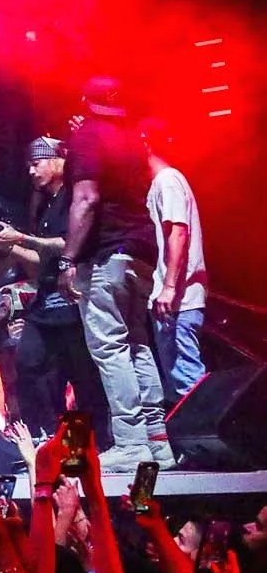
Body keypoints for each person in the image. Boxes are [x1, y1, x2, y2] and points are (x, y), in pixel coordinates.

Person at [57, 77, 176, 471]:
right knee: (137, 344)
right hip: (141, 254)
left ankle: (130, 442)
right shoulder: (132, 140)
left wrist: (67, 260)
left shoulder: (88, 137)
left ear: (85, 100)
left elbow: (86, 199)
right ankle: (157, 442)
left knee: (110, 347)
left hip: (107, 254)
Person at [0, 136, 112, 442]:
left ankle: (98, 438)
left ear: (58, 162)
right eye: (29, 166)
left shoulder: (73, 198)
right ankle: (43, 433)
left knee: (82, 375)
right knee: (27, 363)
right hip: (46, 303)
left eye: (36, 163)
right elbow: (43, 258)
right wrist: (10, 246)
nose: (31, 171)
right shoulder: (46, 204)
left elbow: (66, 244)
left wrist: (23, 238)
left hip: (71, 300)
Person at [140, 118, 208, 404]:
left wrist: (168, 287)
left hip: (179, 301)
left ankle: (210, 432)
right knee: (179, 380)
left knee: (188, 382)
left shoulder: (167, 180)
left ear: (144, 143)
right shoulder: (161, 182)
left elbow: (178, 231)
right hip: (174, 300)